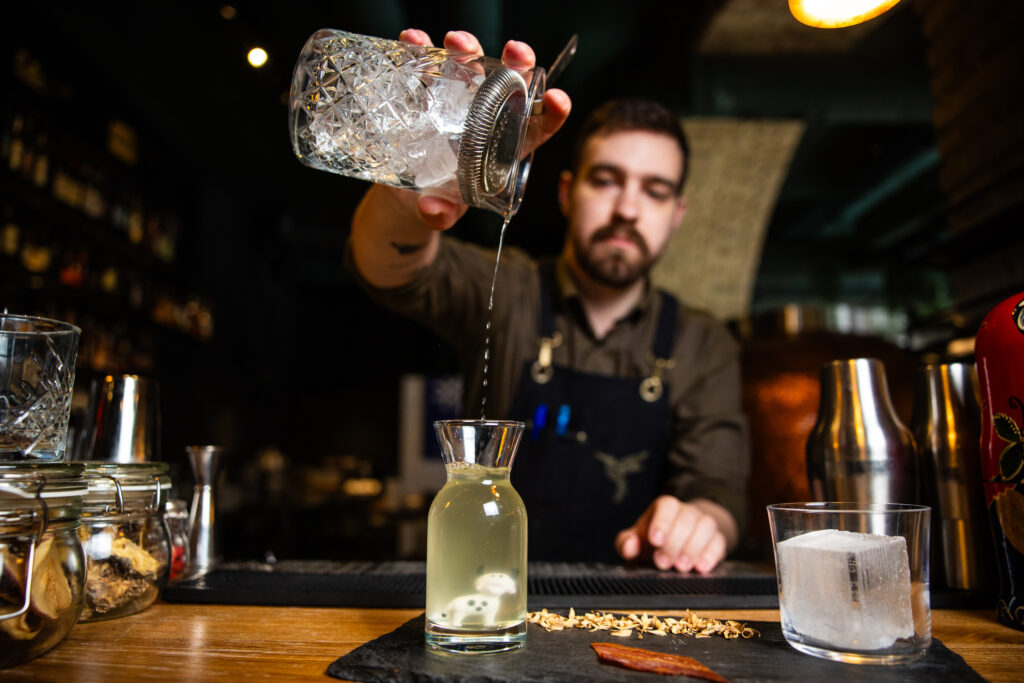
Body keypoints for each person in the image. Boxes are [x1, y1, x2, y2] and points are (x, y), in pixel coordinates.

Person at [347, 29, 749, 573]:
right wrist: (411, 193)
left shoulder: (702, 343)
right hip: (478, 603)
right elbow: (388, 266)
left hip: (629, 613)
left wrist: (702, 522)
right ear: (566, 192)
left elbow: (718, 491)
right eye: (606, 180)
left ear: (676, 214)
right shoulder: (508, 289)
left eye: (654, 190)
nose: (628, 208)